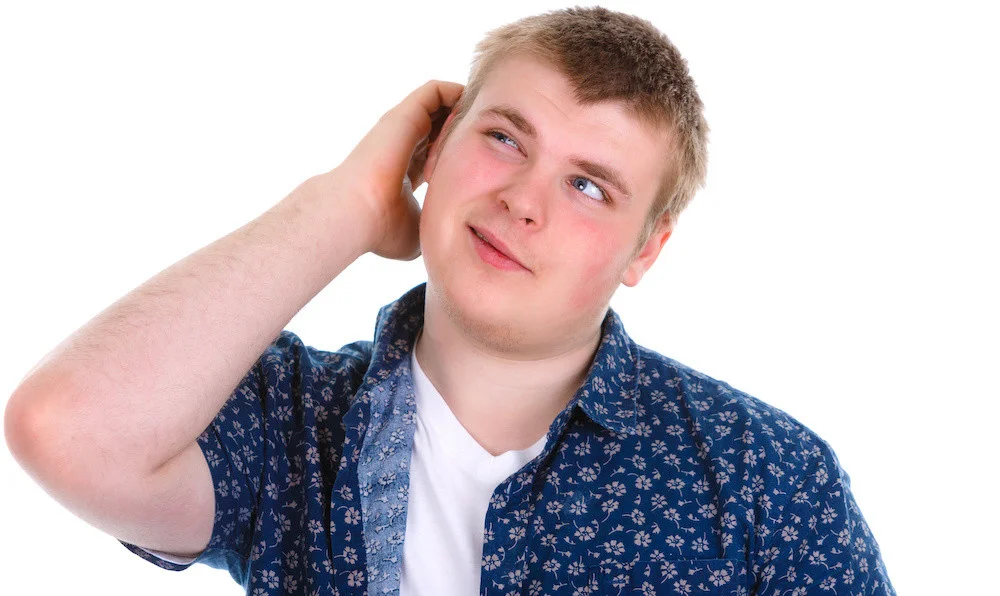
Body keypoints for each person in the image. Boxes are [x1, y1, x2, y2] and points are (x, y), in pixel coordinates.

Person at [4, 7, 894, 595]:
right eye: (505, 139)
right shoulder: (293, 424)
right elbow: (66, 431)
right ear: (432, 148)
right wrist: (348, 204)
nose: (524, 201)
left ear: (646, 249)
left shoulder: (766, 478)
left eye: (590, 186)